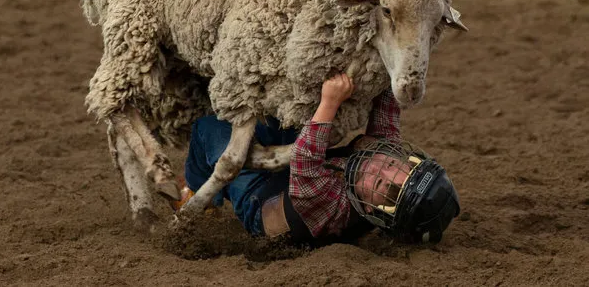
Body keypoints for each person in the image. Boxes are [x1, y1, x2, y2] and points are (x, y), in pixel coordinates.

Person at [175, 74, 460, 245]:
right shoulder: (384, 160)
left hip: (259, 197)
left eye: (382, 186)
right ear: (407, 161)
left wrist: (330, 102)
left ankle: (201, 197)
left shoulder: (333, 211)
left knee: (208, 129)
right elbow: (387, 111)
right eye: (392, 166)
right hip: (291, 175)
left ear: (378, 213)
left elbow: (305, 161)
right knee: (280, 113)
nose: (378, 168)